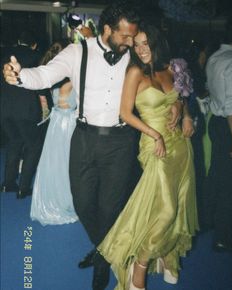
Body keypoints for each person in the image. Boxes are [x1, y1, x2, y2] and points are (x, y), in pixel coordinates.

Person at [3, 2, 182, 289]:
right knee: (83, 203)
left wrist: (179, 105)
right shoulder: (78, 51)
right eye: (124, 36)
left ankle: (101, 263)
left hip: (121, 142)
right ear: (107, 29)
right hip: (84, 138)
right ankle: (105, 249)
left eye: (133, 37)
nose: (130, 42)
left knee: (110, 208)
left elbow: (162, 79)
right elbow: (46, 74)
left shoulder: (132, 57)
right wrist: (21, 75)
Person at [98, 18, 199, 290]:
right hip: (154, 145)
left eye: (146, 43)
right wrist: (154, 134)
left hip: (180, 144)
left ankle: (167, 255)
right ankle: (138, 266)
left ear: (156, 42)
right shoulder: (135, 73)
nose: (141, 49)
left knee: (177, 204)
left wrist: (185, 113)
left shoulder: (171, 67)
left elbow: (182, 96)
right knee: (165, 210)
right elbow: (125, 113)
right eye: (137, 44)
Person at [30, 40, 78, 226]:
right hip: (68, 124)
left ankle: (56, 200)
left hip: (56, 123)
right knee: (67, 165)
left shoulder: (52, 77)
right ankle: (67, 202)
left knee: (54, 164)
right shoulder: (73, 77)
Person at [0, 30, 44, 199]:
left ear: (19, 40)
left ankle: (8, 184)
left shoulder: (3, 54)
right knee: (33, 146)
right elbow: (41, 85)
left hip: (4, 110)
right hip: (25, 111)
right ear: (34, 44)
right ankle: (23, 189)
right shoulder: (36, 56)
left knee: (14, 142)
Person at [205, 13, 232, 254]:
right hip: (229, 126)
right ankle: (223, 237)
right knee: (229, 185)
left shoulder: (216, 56)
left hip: (215, 122)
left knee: (217, 176)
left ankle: (208, 221)